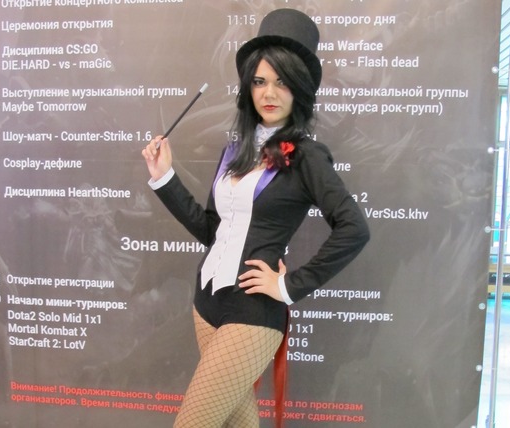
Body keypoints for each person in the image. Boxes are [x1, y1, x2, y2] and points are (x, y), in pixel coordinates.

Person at [141, 8, 370, 427]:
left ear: (299, 88)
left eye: (282, 82)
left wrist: (288, 286)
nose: (269, 93)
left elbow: (354, 228)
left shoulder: (307, 156)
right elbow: (212, 229)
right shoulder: (236, 151)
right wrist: (165, 178)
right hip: (207, 302)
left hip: (254, 311)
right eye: (260, 81)